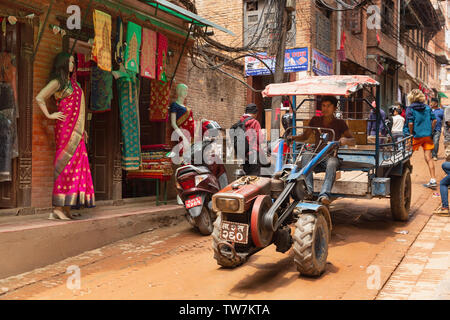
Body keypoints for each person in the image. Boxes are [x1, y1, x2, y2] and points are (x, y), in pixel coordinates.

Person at [35, 52, 95, 220]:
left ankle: (66, 207)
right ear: (62, 63)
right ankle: (57, 208)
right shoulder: (58, 82)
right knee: (64, 166)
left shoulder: (74, 84)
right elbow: (40, 97)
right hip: (65, 130)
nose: (72, 64)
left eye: (73, 61)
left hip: (77, 132)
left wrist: (83, 129)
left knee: (77, 166)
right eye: (69, 61)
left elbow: (80, 111)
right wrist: (50, 115)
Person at [288, 95, 355, 205]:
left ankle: (324, 195)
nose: (325, 108)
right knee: (306, 155)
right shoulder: (315, 120)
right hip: (316, 157)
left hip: (331, 156)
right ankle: (308, 191)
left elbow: (353, 141)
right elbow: (305, 136)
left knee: (332, 162)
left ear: (334, 108)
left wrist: (345, 141)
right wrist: (293, 138)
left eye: (328, 106)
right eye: (323, 106)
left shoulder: (340, 123)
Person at [406, 89, 437, 189]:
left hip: (416, 136)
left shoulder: (410, 109)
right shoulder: (427, 108)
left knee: (406, 155)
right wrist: (430, 130)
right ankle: (433, 180)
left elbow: (410, 123)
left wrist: (411, 134)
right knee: (429, 157)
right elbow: (434, 120)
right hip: (427, 136)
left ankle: (403, 175)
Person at [236, 103, 262, 176]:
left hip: (243, 154)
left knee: (246, 175)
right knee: (255, 177)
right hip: (253, 152)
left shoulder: (239, 122)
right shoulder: (254, 122)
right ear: (255, 113)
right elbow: (260, 139)